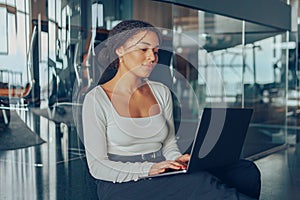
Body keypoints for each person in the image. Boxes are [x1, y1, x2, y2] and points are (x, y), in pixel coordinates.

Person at [82, 20, 261, 200]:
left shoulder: (160, 92)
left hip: (161, 168)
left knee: (245, 171)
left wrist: (177, 160)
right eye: (143, 49)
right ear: (119, 50)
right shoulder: (97, 99)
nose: (152, 57)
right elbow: (98, 167)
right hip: (121, 183)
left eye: (155, 51)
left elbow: (168, 144)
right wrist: (149, 169)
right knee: (199, 182)